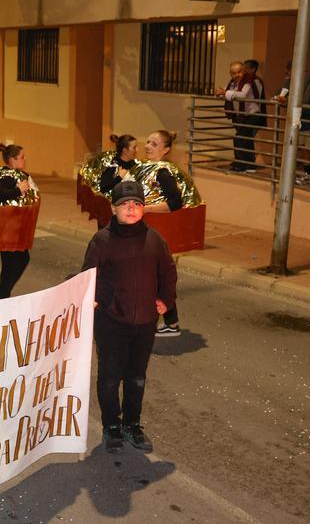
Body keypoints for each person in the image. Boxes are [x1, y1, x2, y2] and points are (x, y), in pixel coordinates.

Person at [82, 180, 177, 454]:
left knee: (137, 377)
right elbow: (88, 275)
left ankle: (132, 425)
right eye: (125, 205)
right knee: (111, 377)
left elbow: (168, 273)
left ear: (143, 208)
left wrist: (165, 301)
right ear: (113, 209)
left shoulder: (154, 239)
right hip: (112, 322)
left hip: (145, 322)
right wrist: (96, 300)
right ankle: (112, 425)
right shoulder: (102, 240)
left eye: (136, 204)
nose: (131, 209)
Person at [138, 129, 202, 337]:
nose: (147, 146)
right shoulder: (147, 168)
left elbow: (175, 203)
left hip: (154, 234)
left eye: (154, 144)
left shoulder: (162, 172)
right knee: (153, 279)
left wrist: (145, 209)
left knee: (152, 280)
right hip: (145, 233)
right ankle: (171, 323)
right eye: (148, 141)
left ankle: (157, 323)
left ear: (166, 150)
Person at [0, 144, 36, 299]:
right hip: (7, 228)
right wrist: (18, 190)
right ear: (12, 160)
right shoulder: (6, 175)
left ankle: (2, 292)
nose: (25, 159)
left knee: (15, 261)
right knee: (15, 261)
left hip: (16, 227)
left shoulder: (19, 174)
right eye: (21, 157)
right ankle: (3, 293)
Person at [274, 61, 310, 184]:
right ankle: (307, 174)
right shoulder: (290, 80)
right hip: (303, 121)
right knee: (304, 149)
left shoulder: (307, 78)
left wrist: (285, 101)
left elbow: (306, 100)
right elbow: (280, 93)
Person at [214, 61, 263, 173]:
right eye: (233, 73)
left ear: (244, 71)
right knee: (246, 139)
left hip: (252, 114)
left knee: (239, 138)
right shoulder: (232, 83)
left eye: (239, 72)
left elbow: (242, 95)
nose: (236, 75)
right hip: (241, 115)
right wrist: (221, 93)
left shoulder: (249, 81)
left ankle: (241, 164)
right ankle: (249, 165)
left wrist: (225, 92)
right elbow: (227, 93)